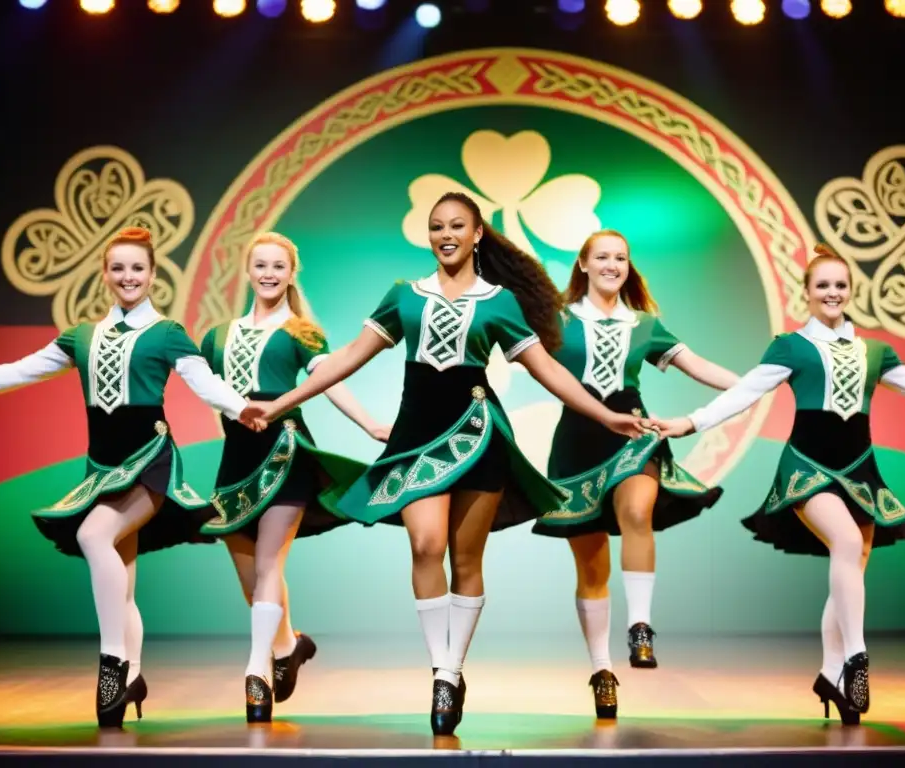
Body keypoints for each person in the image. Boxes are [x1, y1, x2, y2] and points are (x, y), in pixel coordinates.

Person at [241, 192, 646, 736]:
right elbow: (341, 362)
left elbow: (547, 369)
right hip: (416, 436)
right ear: (427, 235)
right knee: (425, 546)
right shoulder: (402, 296)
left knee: (466, 559)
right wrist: (280, 403)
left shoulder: (499, 302)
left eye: (457, 225)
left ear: (478, 234)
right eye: (437, 227)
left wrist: (605, 415)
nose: (446, 233)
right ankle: (442, 669)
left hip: (479, 437)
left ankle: (453, 670)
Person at [653, 244, 905, 725]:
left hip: (859, 467)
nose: (832, 293)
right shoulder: (790, 347)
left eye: (840, 285)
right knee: (845, 541)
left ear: (850, 291)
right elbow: (745, 393)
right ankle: (857, 659)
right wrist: (690, 422)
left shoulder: (875, 352)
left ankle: (830, 672)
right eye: (822, 285)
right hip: (807, 467)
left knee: (852, 568)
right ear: (806, 293)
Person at [0, 227, 258, 729]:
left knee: (94, 535)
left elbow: (205, 383)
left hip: (149, 462)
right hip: (101, 470)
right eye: (118, 268)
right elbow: (21, 371)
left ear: (153, 275)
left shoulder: (168, 334)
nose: (128, 276)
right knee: (124, 586)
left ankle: (112, 662)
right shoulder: (82, 336)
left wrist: (243, 409)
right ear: (105, 275)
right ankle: (132, 673)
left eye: (137, 268)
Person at [531, 230, 737, 719]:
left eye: (620, 257)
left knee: (637, 511)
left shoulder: (645, 325)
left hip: (634, 431)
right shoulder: (554, 320)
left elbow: (700, 367)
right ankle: (602, 670)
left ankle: (641, 627)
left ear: (628, 266)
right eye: (601, 256)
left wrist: (758, 384)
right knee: (592, 568)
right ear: (582, 264)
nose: (611, 264)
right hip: (576, 444)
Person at [198, 232, 391, 722]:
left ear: (290, 274)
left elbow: (328, 380)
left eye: (278, 266)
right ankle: (289, 645)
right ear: (248, 270)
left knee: (268, 567)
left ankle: (257, 672)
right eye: (260, 264)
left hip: (286, 455)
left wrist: (369, 423)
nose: (268, 273)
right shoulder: (216, 336)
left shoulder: (303, 333)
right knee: (252, 579)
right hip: (235, 463)